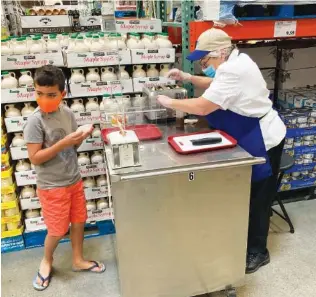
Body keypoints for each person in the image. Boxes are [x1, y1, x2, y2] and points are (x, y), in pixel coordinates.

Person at [157, 28, 286, 274]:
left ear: (222, 52)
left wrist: (169, 102)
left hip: (264, 138)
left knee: (259, 199)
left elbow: (204, 106)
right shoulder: (234, 62)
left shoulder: (235, 69)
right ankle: (240, 239)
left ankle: (258, 252)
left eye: (206, 60)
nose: (204, 65)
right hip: (247, 131)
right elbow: (216, 83)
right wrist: (188, 77)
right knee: (246, 194)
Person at [24, 65, 105, 291]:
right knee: (57, 230)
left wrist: (82, 136)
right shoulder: (35, 121)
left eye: (51, 95)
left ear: (63, 94)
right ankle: (46, 260)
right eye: (39, 94)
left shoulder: (68, 113)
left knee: (79, 221)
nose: (45, 99)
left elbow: (74, 145)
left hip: (74, 179)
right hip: (52, 186)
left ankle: (78, 260)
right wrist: (63, 144)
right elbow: (35, 158)